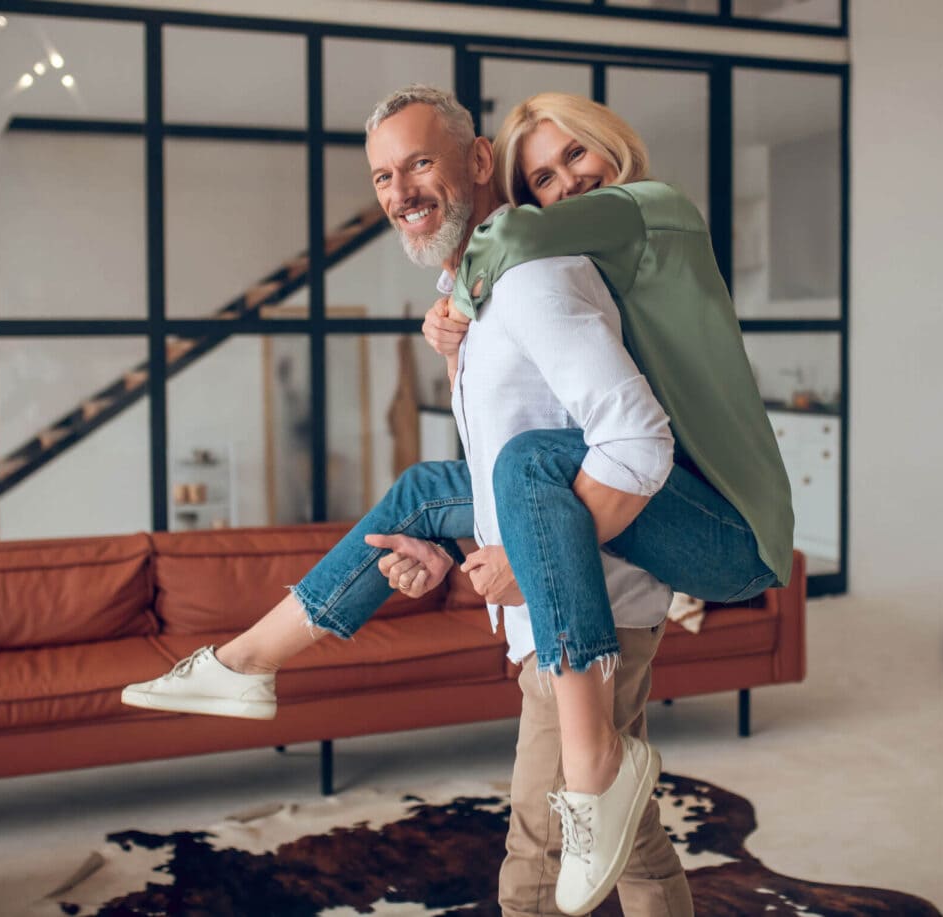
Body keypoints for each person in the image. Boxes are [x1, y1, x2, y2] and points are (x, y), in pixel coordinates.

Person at [123, 86, 791, 915]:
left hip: (589, 611)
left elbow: (628, 441)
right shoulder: (482, 293)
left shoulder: (543, 269)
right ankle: (246, 660)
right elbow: (498, 460)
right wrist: (448, 545)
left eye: (419, 163)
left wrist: (521, 554)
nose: (399, 190)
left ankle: (251, 664)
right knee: (635, 838)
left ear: (478, 164)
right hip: (576, 597)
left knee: (535, 869)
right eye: (381, 177)